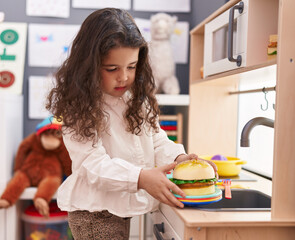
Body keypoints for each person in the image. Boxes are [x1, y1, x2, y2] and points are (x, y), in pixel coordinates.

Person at [46, 8, 216, 239]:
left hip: (119, 207)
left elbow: (155, 138)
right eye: (112, 69)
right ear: (89, 65)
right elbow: (92, 164)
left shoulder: (135, 98)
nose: (124, 77)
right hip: (93, 213)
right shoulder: (80, 106)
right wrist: (140, 177)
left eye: (132, 66)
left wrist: (178, 159)